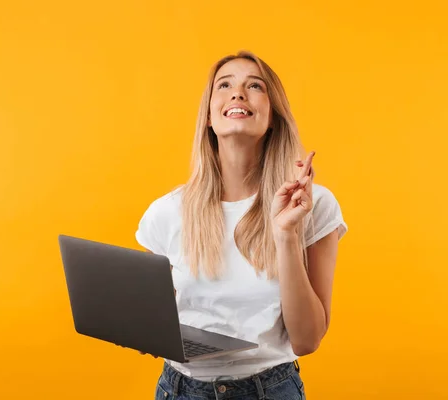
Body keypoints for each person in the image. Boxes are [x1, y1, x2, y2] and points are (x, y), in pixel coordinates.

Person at [135, 50, 348, 400]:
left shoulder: (312, 204)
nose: (238, 93)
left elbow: (307, 340)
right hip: (179, 390)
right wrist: (143, 331)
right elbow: (154, 318)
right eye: (225, 85)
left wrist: (285, 234)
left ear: (273, 117)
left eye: (254, 86)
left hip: (270, 390)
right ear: (208, 116)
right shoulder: (167, 212)